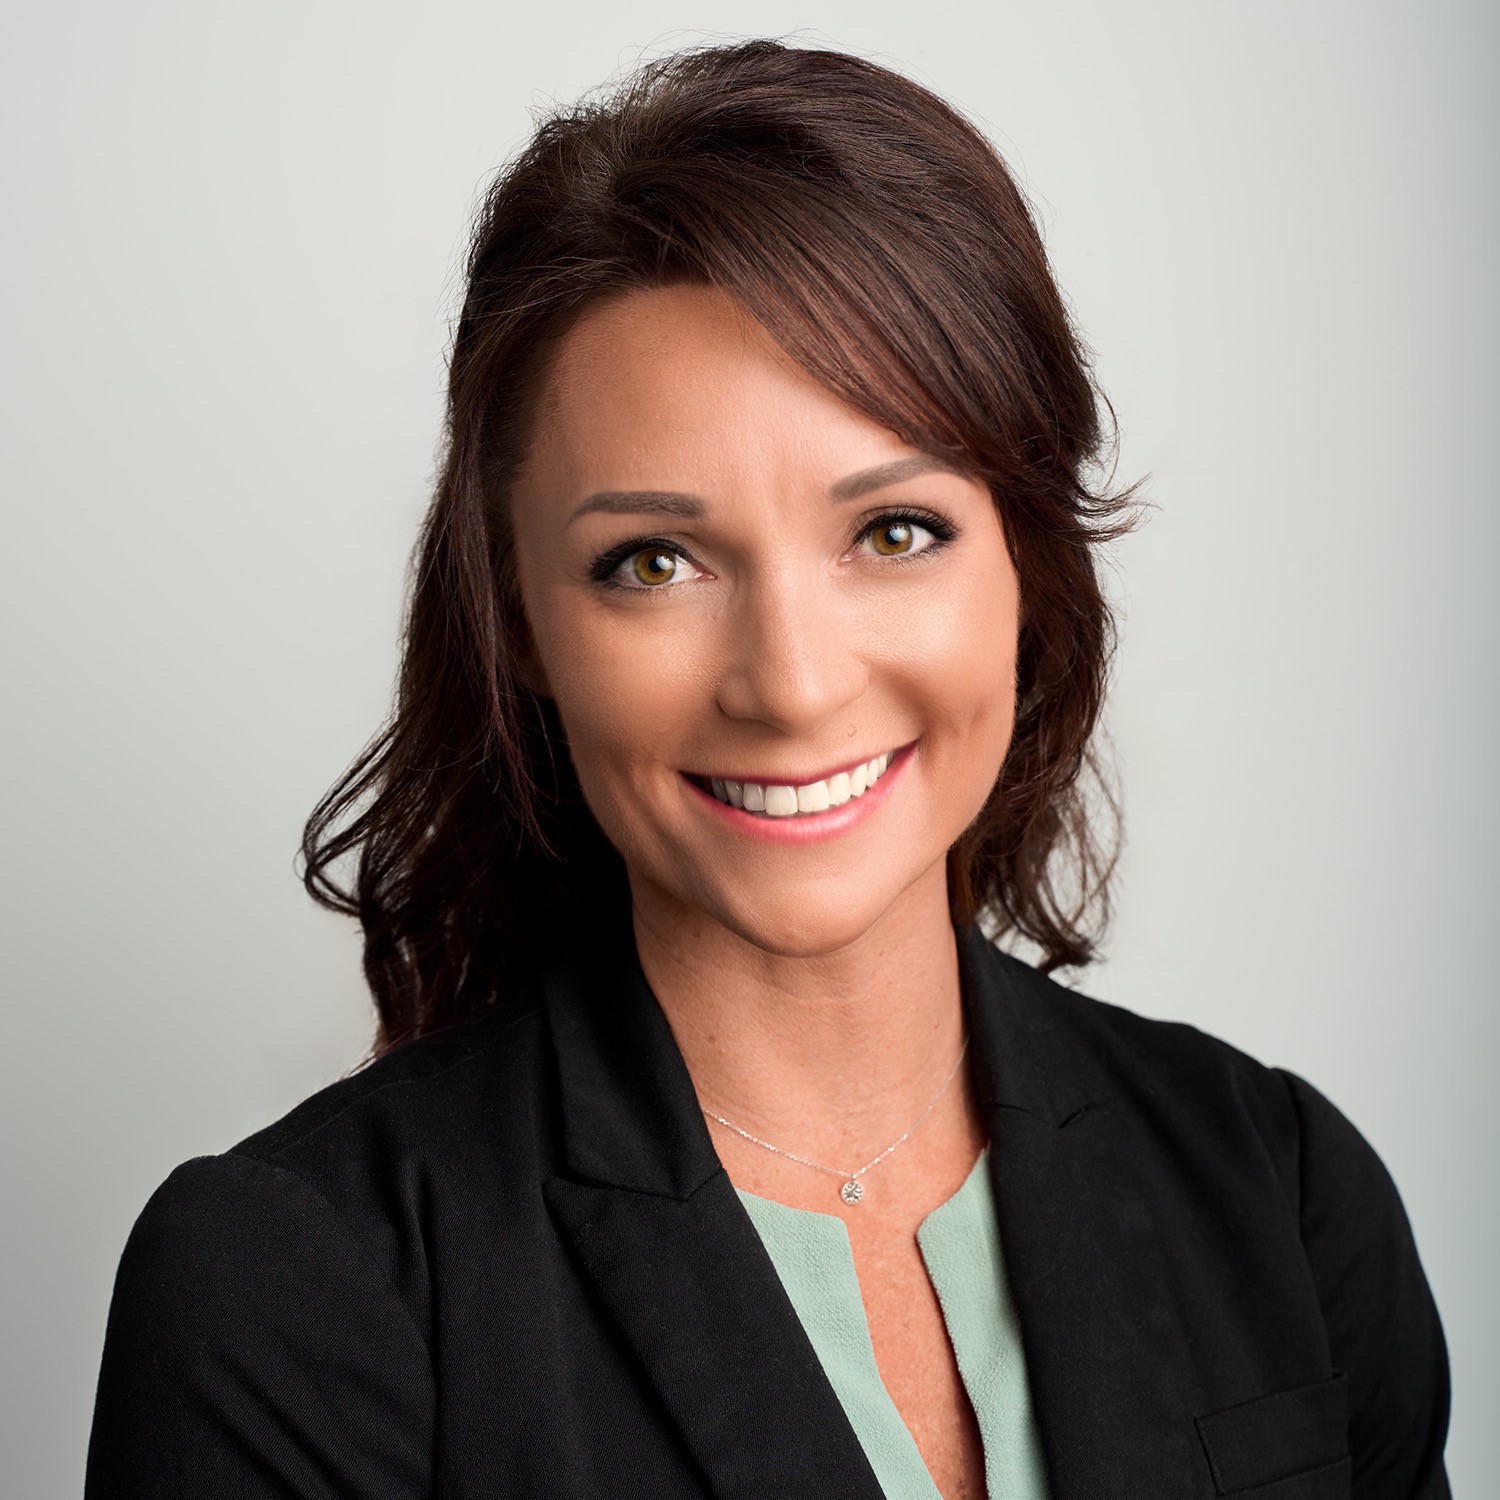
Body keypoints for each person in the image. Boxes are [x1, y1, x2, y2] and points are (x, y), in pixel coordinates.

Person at [84, 39, 1451, 1499]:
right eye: (652, 562)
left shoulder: (1285, 1195)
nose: (793, 683)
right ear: (522, 624)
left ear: (1027, 560)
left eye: (895, 531)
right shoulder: (297, 1292)